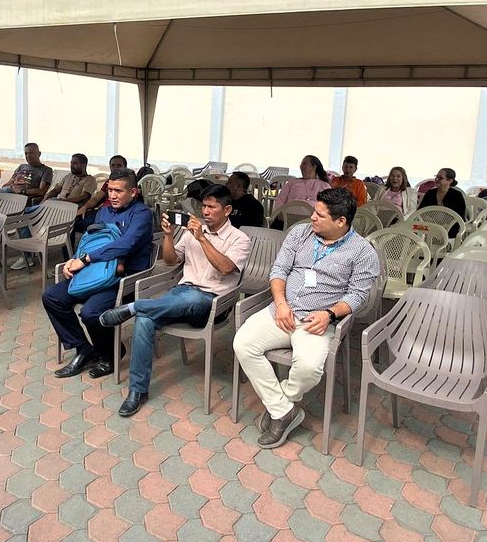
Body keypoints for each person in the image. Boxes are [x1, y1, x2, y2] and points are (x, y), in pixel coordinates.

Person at [233, 188, 379, 448]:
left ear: (341, 221)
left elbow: (357, 295)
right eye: (314, 211)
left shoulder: (363, 252)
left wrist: (329, 314)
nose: (312, 217)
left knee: (309, 369)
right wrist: (281, 304)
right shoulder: (300, 233)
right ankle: (283, 411)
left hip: (317, 321)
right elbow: (279, 270)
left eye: (319, 215)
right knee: (243, 344)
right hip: (282, 312)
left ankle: (279, 406)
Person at [99, 184, 251, 416]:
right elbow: (170, 261)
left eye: (212, 207)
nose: (206, 211)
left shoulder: (239, 239)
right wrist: (168, 236)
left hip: (212, 302)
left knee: (186, 300)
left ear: (227, 210)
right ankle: (137, 391)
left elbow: (225, 268)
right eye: (204, 206)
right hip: (180, 294)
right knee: (144, 321)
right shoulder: (191, 232)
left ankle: (134, 306)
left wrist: (202, 239)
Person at [42, 168, 154, 379]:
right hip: (95, 274)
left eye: (119, 191)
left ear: (133, 192)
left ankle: (111, 354)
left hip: (124, 280)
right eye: (110, 190)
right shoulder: (104, 212)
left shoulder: (142, 214)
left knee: (90, 312)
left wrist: (86, 259)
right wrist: (73, 259)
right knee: (52, 297)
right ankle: (84, 349)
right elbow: (90, 240)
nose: (112, 195)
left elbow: (126, 244)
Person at [75, 155, 128, 235]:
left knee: (87, 226)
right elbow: (96, 199)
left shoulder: (128, 183)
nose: (116, 168)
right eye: (113, 165)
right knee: (73, 222)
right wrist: (84, 207)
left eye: (119, 165)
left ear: (125, 167)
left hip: (115, 214)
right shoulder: (108, 182)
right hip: (102, 211)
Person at [418, 167, 467, 237]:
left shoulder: (457, 195)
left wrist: (444, 225)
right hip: (430, 226)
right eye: (436, 177)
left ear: (449, 181)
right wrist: (428, 219)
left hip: (450, 228)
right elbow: (420, 211)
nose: (436, 179)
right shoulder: (430, 193)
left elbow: (459, 215)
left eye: (440, 178)